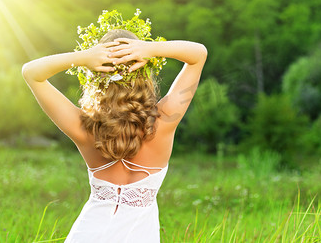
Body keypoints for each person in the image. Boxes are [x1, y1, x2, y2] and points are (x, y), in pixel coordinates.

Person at [22, 24, 207, 242]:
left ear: (96, 75)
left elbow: (31, 73)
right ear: (143, 71)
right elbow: (198, 54)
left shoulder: (85, 128)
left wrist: (83, 57)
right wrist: (150, 49)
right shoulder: (163, 121)